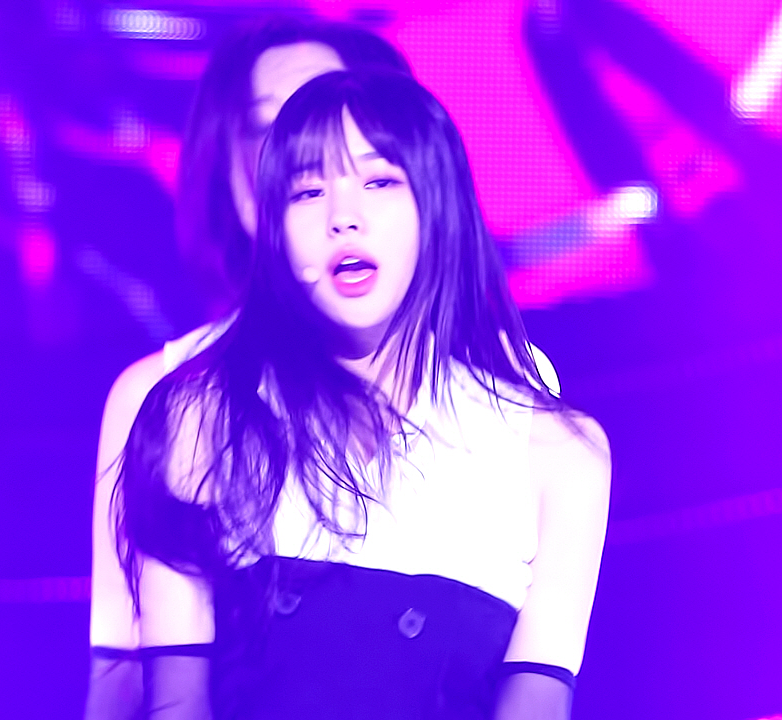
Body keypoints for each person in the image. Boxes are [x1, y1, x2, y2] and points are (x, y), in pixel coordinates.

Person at [114, 69, 610, 719]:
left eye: (379, 182)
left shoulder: (556, 455)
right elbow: (174, 703)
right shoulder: (198, 422)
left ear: (438, 204)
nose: (342, 219)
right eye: (308, 191)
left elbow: (536, 704)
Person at [86, 18, 413, 719]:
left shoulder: (497, 395)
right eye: (271, 129)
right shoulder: (156, 399)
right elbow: (120, 673)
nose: (303, 155)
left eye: (331, 120)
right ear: (232, 176)